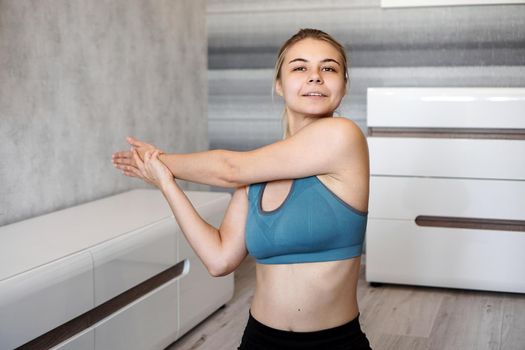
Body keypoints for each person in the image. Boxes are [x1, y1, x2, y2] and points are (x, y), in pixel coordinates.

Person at [112, 28, 372, 350]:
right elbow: (219, 259)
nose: (315, 77)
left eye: (329, 68)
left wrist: (158, 160)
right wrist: (166, 182)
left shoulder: (343, 137)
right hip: (259, 339)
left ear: (344, 85)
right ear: (279, 84)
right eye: (300, 67)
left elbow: (229, 169)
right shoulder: (258, 172)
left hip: (333, 343)